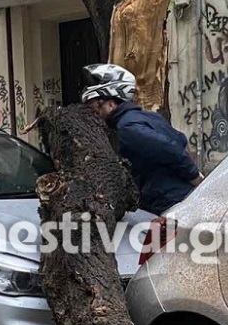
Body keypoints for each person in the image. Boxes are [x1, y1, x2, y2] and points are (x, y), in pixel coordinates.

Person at [80, 64, 204, 215]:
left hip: (167, 204)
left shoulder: (127, 128)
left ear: (111, 104)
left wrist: (196, 178)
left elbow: (168, 148)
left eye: (96, 108)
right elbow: (181, 140)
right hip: (179, 200)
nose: (94, 114)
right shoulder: (149, 116)